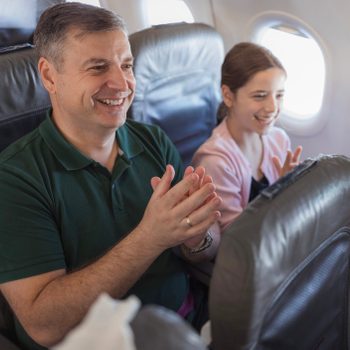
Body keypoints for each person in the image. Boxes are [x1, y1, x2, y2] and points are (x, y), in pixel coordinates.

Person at [0, 3, 222, 350]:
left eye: (127, 65)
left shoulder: (153, 140)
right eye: (98, 67)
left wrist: (197, 238)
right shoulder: (15, 178)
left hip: (185, 324)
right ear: (48, 76)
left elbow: (203, 248)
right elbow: (43, 325)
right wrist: (151, 237)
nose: (122, 83)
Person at [192, 42, 302, 235]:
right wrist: (282, 197)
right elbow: (235, 238)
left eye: (279, 95)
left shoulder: (279, 139)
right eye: (260, 96)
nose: (272, 108)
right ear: (228, 96)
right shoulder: (216, 162)